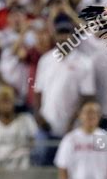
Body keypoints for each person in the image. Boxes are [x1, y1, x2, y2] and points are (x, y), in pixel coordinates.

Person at [33, 14, 96, 164]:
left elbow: (87, 97)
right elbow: (38, 92)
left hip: (72, 128)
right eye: (60, 33)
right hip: (46, 127)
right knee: (42, 167)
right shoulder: (45, 60)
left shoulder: (84, 63)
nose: (64, 36)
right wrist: (38, 116)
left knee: (71, 168)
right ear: (55, 36)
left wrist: (72, 122)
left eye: (67, 33)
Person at [0, 84, 37, 170]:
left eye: (9, 100)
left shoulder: (26, 119)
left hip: (22, 164)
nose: (6, 104)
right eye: (3, 101)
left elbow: (34, 142)